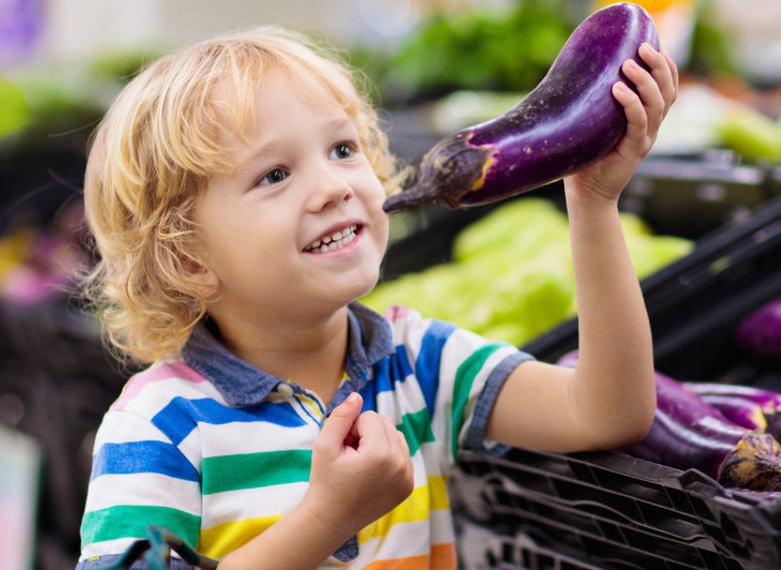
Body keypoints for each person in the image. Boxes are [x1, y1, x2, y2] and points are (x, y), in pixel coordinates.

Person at [75, 24, 677, 569]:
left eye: (342, 149)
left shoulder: (418, 362)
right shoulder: (160, 426)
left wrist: (593, 204)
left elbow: (607, 413)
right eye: (275, 175)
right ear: (188, 258)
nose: (334, 187)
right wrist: (326, 519)